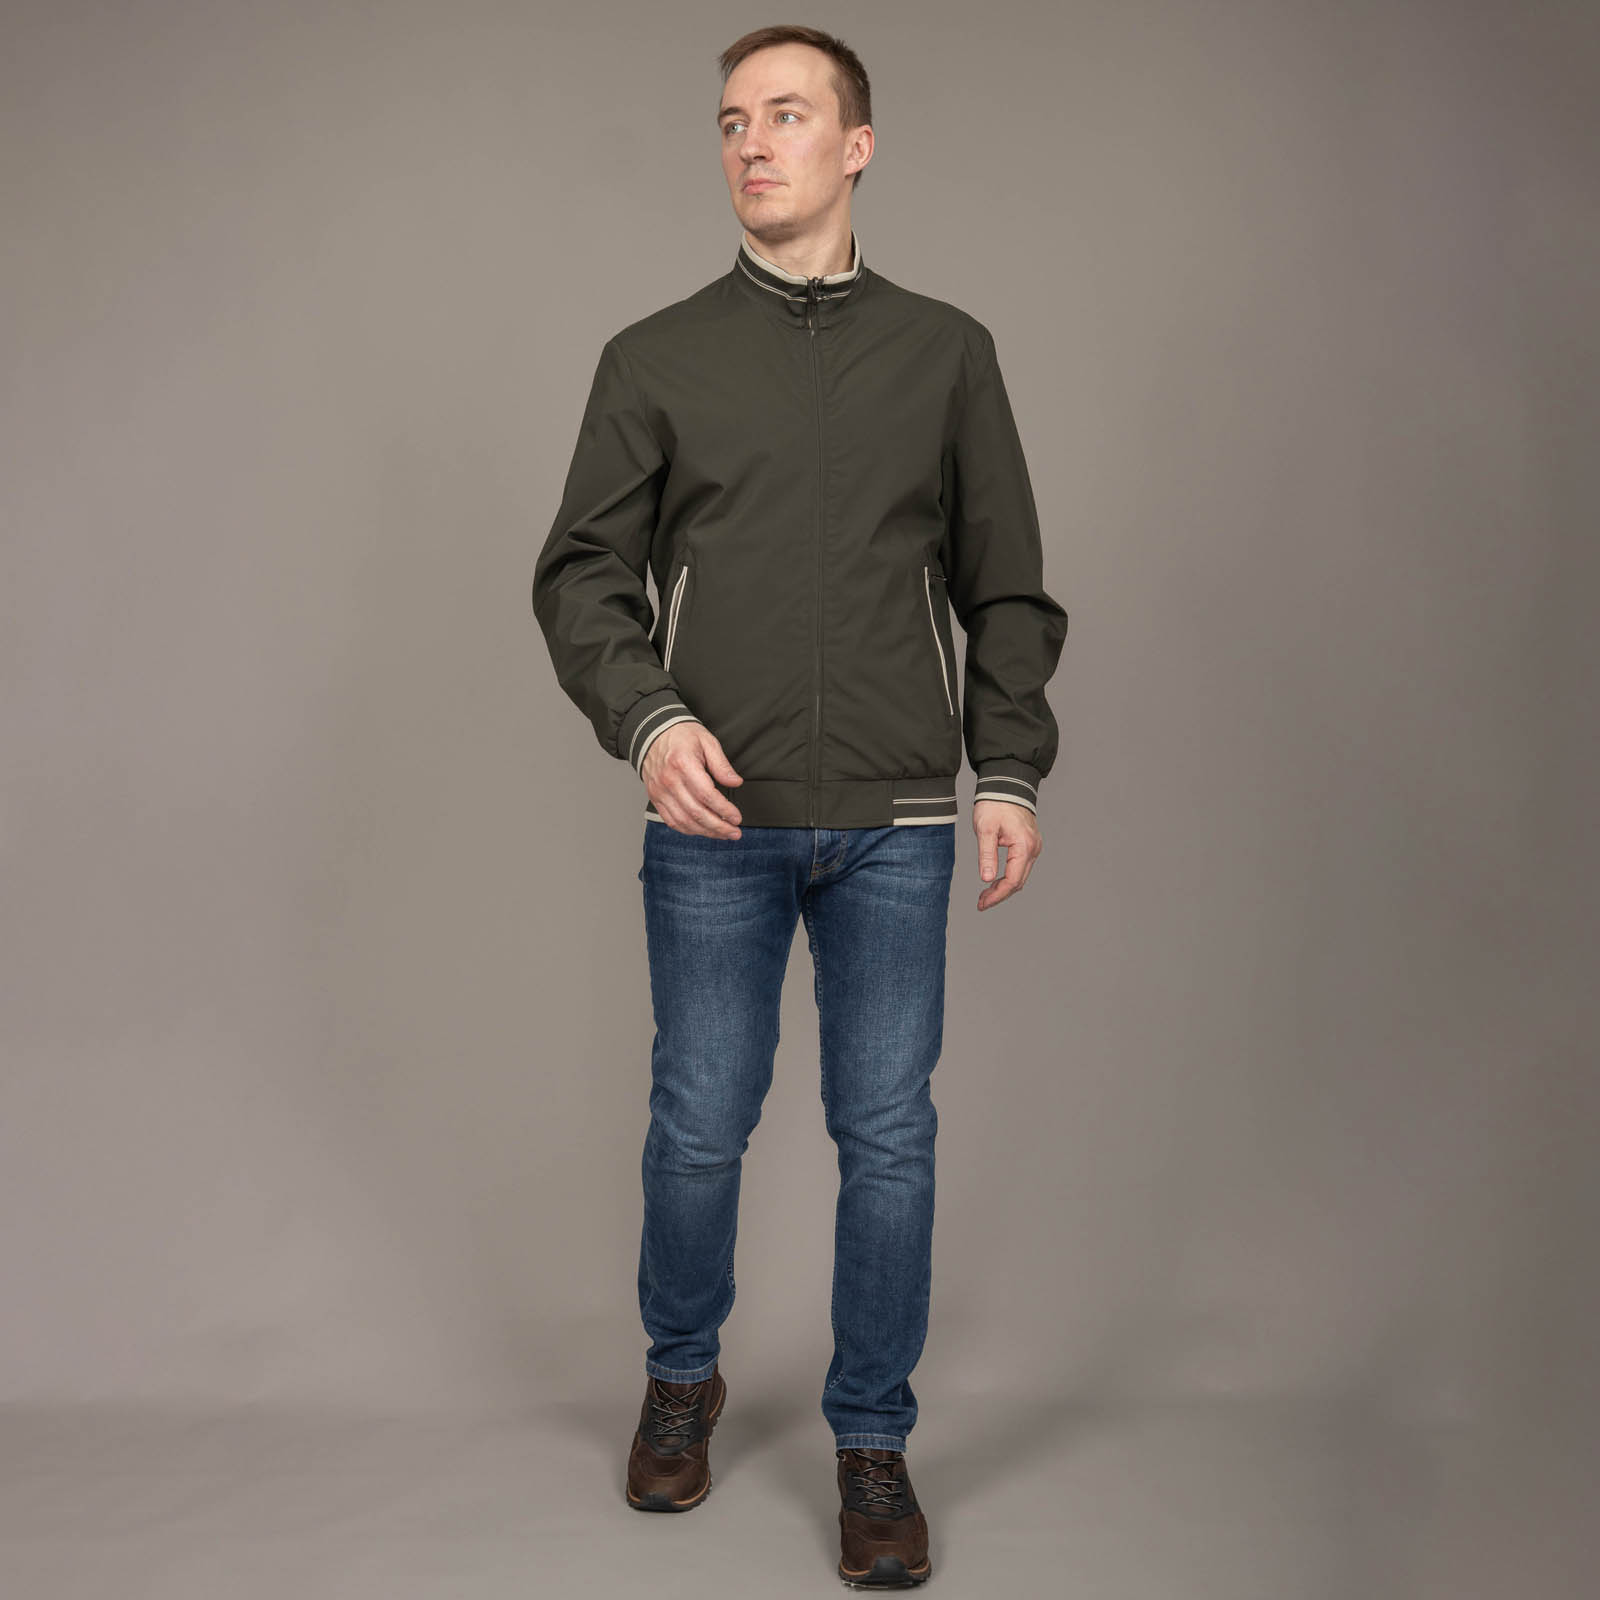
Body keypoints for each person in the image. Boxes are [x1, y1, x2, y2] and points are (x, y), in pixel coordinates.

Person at [532, 23, 1068, 1589]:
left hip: (899, 821)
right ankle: (679, 1378)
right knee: (699, 1123)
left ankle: (872, 1442)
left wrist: (1008, 767)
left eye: (785, 114)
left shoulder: (947, 353)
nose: (752, 143)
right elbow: (581, 576)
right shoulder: (655, 358)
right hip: (716, 822)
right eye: (730, 122)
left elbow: (1005, 585)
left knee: (888, 1137)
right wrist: (647, 720)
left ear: (857, 145)